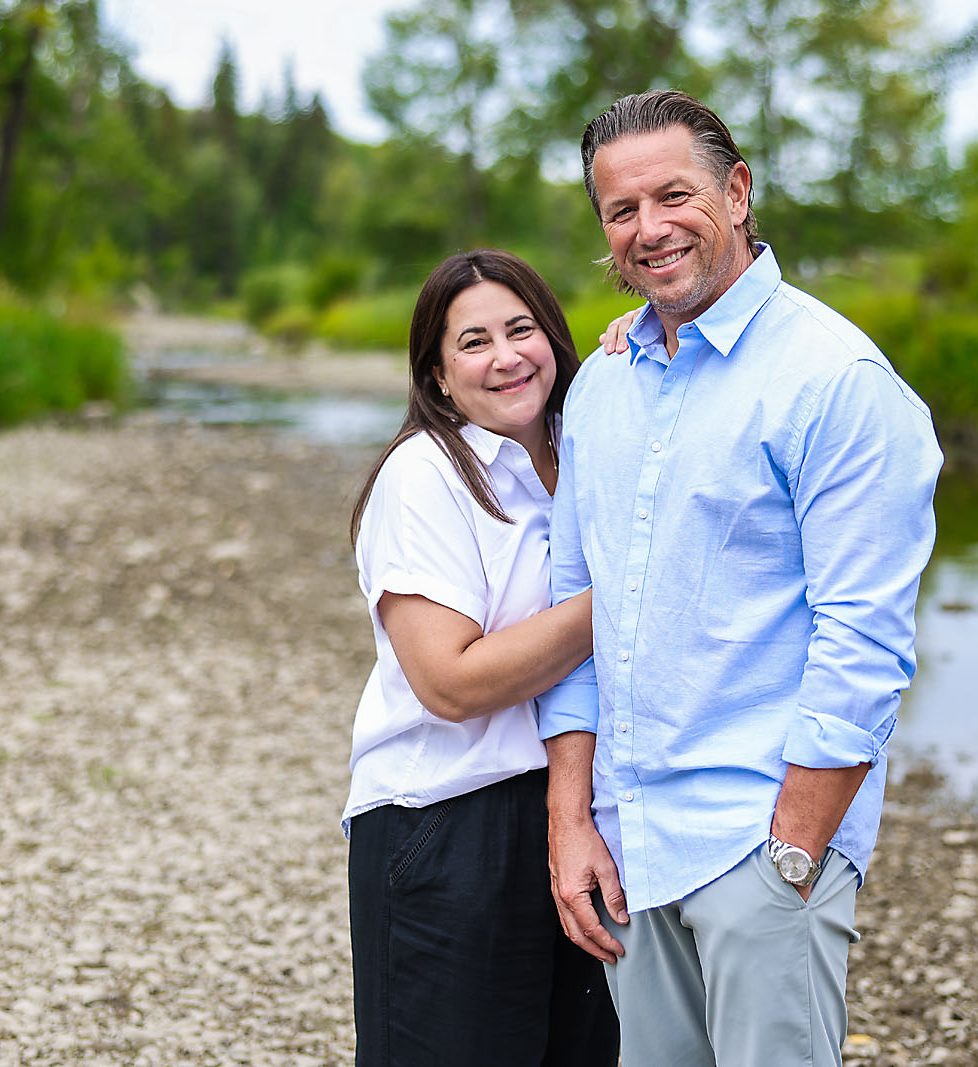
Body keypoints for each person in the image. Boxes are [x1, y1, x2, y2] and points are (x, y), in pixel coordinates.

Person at [540, 90, 945, 1066]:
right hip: (629, 843)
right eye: (620, 210)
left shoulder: (833, 379)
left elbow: (867, 640)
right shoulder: (602, 383)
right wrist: (570, 821)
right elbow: (573, 612)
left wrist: (794, 851)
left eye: (672, 195)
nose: (649, 229)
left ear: (736, 189)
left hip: (756, 844)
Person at [344, 249, 620, 1067]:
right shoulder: (424, 477)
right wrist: (627, 595)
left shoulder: (589, 454)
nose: (505, 356)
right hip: (445, 824)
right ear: (436, 375)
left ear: (554, 340)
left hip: (582, 811)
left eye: (522, 329)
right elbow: (452, 682)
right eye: (473, 341)